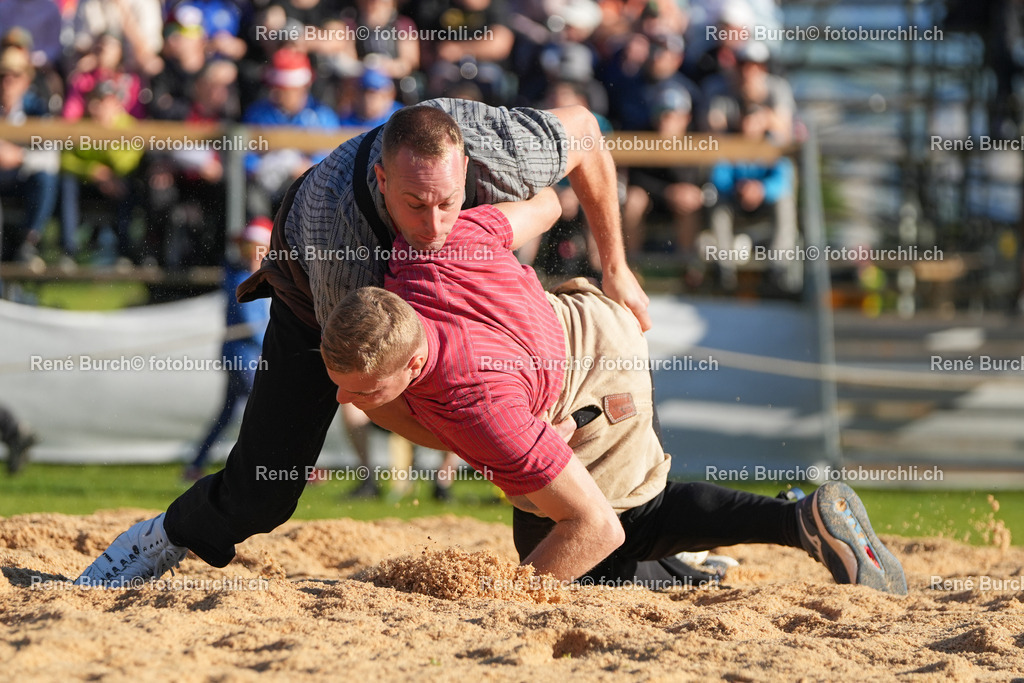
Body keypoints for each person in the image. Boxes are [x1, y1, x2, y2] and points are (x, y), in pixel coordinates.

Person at [311, 115, 905, 592]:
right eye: (416, 204)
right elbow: (546, 205)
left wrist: (507, 605)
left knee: (610, 531)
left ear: (413, 366)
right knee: (544, 526)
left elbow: (593, 530)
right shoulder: (425, 252)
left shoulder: (477, 405)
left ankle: (798, 522)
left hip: (596, 368)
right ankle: (688, 568)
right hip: (571, 324)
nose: (343, 400)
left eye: (362, 390)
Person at [75, 100, 650, 587]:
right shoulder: (340, 241)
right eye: (414, 206)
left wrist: (616, 266)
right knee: (265, 491)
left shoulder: (500, 147)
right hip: (322, 302)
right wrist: (490, 454)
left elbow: (584, 136)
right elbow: (377, 397)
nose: (433, 227)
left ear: (468, 167)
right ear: (381, 181)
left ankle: (654, 544)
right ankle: (158, 538)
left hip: (452, 295)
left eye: (448, 202)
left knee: (563, 429)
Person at [183, 218, 273, 482]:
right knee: (265, 408)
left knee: (229, 413)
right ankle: (281, 466)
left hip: (244, 355)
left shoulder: (249, 276)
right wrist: (275, 342)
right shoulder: (240, 278)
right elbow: (250, 322)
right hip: (242, 356)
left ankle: (195, 464)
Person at [0, 403, 35, 475]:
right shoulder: (2, 408)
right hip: (18, 432)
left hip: (17, 434)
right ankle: (14, 472)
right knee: (15, 455)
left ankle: (14, 473)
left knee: (15, 455)